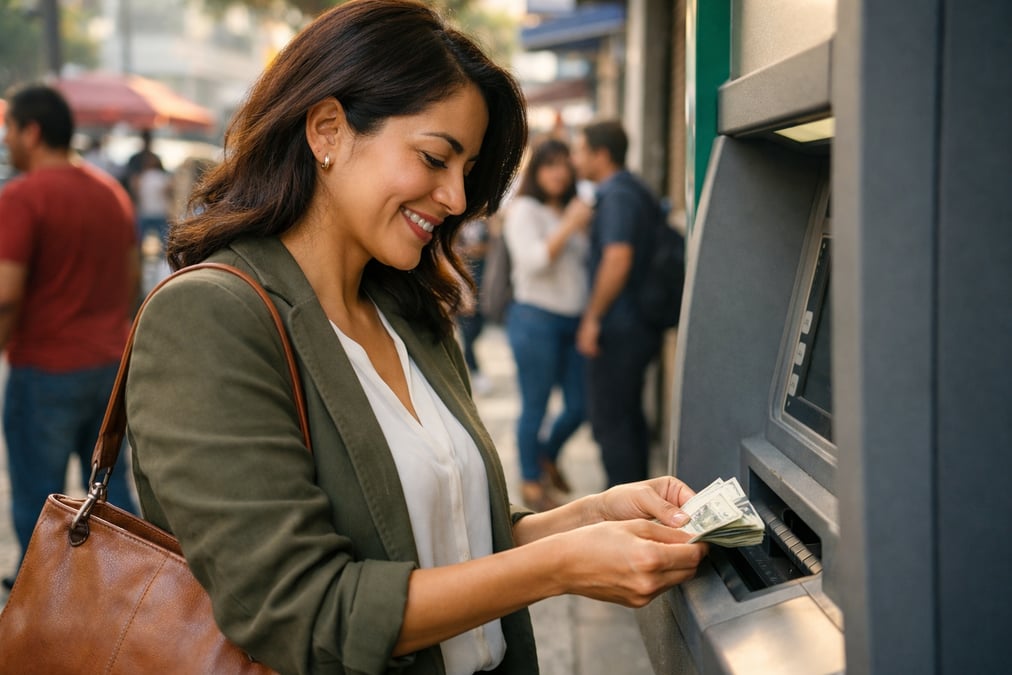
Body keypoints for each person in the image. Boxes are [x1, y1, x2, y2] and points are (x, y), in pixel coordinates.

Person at [124, 2, 706, 674]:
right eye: (435, 157)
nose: (457, 197)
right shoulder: (211, 317)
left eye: (468, 170)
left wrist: (587, 519)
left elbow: (446, 540)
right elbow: (307, 612)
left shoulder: (406, 310)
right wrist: (560, 566)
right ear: (328, 130)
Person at [0, 85, 140, 589]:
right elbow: (130, 288)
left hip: (45, 368)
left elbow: (5, 294)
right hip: (108, 367)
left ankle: (42, 595)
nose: (7, 137)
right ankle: (130, 586)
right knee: (112, 487)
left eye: (9, 126)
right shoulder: (111, 193)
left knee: (39, 497)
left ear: (32, 131)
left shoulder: (22, 195)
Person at [572, 120, 668, 488]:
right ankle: (638, 505)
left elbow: (618, 258)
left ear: (601, 154)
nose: (576, 159)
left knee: (611, 423)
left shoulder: (618, 195)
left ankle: (623, 514)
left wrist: (592, 318)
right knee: (627, 420)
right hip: (635, 324)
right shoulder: (629, 191)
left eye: (581, 150)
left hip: (621, 328)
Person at [502, 137, 593, 511]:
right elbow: (534, 260)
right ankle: (529, 479)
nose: (558, 172)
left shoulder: (571, 210)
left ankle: (546, 456)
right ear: (536, 171)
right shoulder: (523, 209)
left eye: (563, 164)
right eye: (549, 164)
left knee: (580, 405)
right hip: (535, 319)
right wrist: (571, 224)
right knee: (535, 406)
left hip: (574, 322)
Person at [453, 217, 492, 395]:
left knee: (477, 329)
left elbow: (492, 246)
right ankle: (474, 371)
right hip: (463, 282)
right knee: (468, 334)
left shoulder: (485, 223)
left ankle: (471, 369)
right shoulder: (457, 224)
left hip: (484, 284)